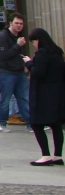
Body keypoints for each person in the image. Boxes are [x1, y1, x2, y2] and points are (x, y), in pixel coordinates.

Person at [25, 28, 63, 166]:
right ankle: (57, 155)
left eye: (34, 41)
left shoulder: (42, 54)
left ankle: (45, 155)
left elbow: (39, 73)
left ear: (39, 40)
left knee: (36, 123)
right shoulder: (57, 52)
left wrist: (29, 63)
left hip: (42, 94)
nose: (34, 44)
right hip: (56, 93)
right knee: (55, 124)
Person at [0, 14, 31, 131]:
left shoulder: (20, 37)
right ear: (10, 23)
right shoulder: (2, 37)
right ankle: (1, 122)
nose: (19, 26)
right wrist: (17, 45)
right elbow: (4, 55)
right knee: (6, 98)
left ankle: (31, 123)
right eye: (16, 23)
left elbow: (18, 55)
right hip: (6, 71)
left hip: (19, 71)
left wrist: (24, 64)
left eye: (21, 24)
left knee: (24, 98)